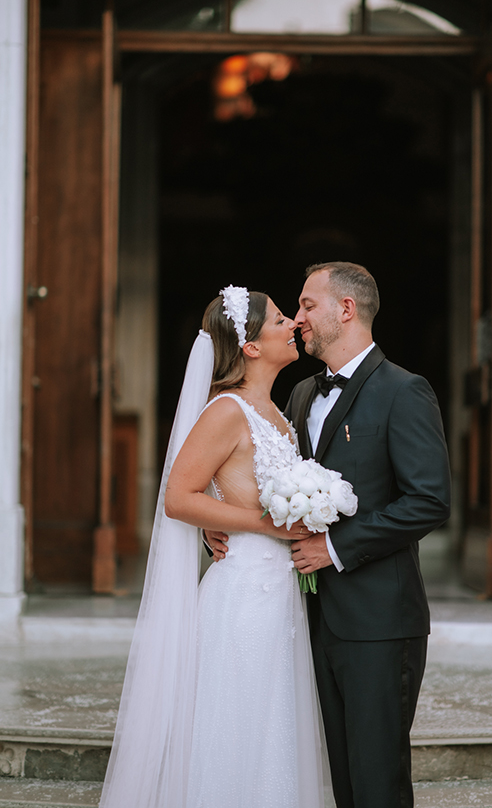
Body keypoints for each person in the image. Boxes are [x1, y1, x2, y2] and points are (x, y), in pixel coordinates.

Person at [99, 286, 331, 808]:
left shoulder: (276, 412)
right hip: (244, 596)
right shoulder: (227, 410)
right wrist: (262, 524)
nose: (292, 322)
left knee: (273, 724)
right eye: (278, 319)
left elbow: (226, 487)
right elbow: (178, 497)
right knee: (238, 724)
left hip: (280, 594)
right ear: (250, 346)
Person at [288, 262, 451, 808]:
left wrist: (334, 548)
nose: (298, 318)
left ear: (347, 310)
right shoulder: (302, 394)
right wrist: (221, 531)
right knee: (340, 776)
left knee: (377, 780)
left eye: (309, 305)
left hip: (380, 622)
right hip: (310, 617)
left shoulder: (405, 391)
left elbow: (429, 499)